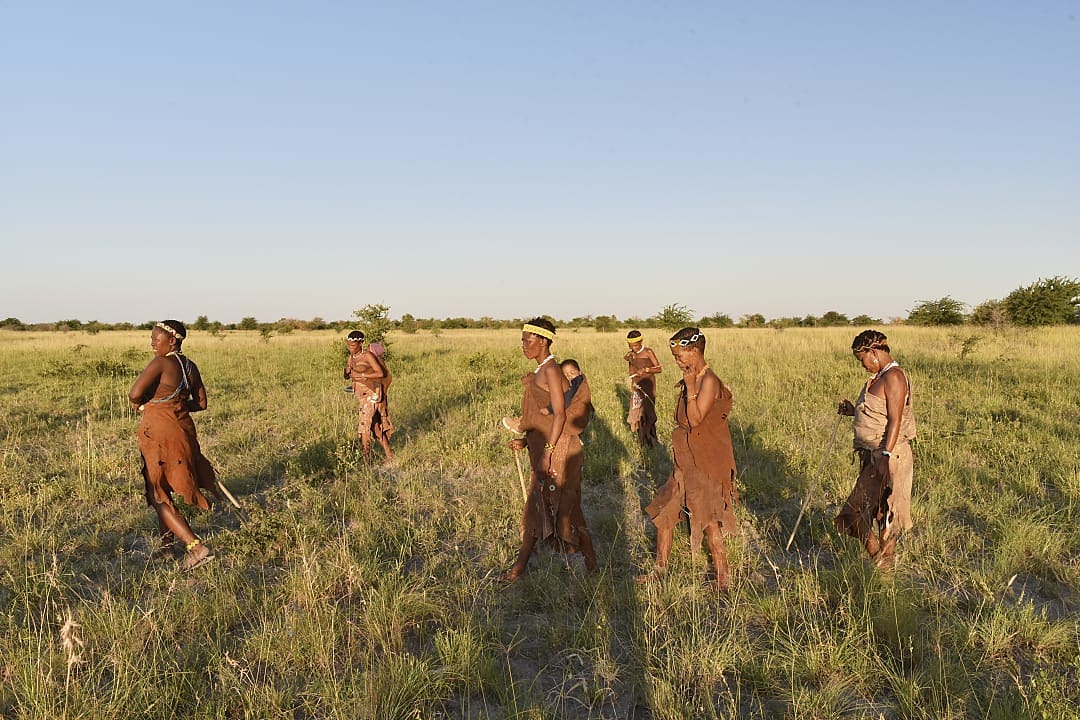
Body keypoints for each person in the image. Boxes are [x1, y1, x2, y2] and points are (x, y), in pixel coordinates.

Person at [642, 328, 738, 591]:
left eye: (679, 355)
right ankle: (660, 569)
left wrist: (692, 385)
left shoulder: (708, 381)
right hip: (685, 461)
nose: (676, 361)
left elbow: (695, 419)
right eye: (674, 356)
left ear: (694, 352)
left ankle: (723, 579)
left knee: (707, 518)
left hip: (705, 463)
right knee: (666, 511)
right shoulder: (694, 378)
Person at [503, 319, 598, 581]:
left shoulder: (551, 371)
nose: (523, 346)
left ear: (543, 341)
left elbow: (558, 415)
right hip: (549, 446)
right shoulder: (543, 370)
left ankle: (591, 568)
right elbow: (543, 418)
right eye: (523, 340)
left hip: (560, 450)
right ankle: (520, 569)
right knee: (540, 507)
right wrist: (526, 441)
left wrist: (547, 451)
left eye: (528, 340)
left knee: (565, 509)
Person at [128, 320, 219, 571]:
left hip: (159, 433)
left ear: (172, 341)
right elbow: (201, 403)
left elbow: (134, 394)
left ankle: (195, 548)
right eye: (152, 338)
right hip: (183, 430)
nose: (152, 343)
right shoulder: (190, 366)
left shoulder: (161, 363)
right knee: (163, 487)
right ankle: (167, 547)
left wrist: (154, 405)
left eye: (157, 339)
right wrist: (175, 405)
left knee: (157, 492)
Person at [835, 330, 917, 569]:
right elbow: (878, 414)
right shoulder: (880, 377)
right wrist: (853, 410)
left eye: (862, 360)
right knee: (869, 513)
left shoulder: (894, 377)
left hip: (890, 456)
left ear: (873, 352)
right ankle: (882, 563)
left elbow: (895, 421)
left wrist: (886, 455)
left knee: (881, 516)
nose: (862, 365)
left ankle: (882, 565)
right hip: (876, 455)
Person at [344, 330, 395, 462]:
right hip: (361, 395)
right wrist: (347, 372)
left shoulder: (367, 356)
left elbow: (380, 373)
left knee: (364, 426)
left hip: (371, 394)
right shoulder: (351, 357)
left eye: (353, 345)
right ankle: (390, 454)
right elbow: (347, 375)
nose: (351, 348)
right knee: (375, 427)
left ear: (361, 343)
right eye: (349, 345)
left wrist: (363, 376)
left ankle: (366, 460)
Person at [624, 330, 662, 446]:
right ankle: (642, 440)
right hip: (637, 386)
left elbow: (659, 368)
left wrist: (646, 370)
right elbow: (631, 370)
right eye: (631, 346)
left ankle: (651, 436)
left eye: (635, 345)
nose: (634, 348)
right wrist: (632, 383)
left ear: (641, 341)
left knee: (649, 411)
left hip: (648, 385)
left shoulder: (648, 352)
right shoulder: (631, 355)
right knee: (638, 412)